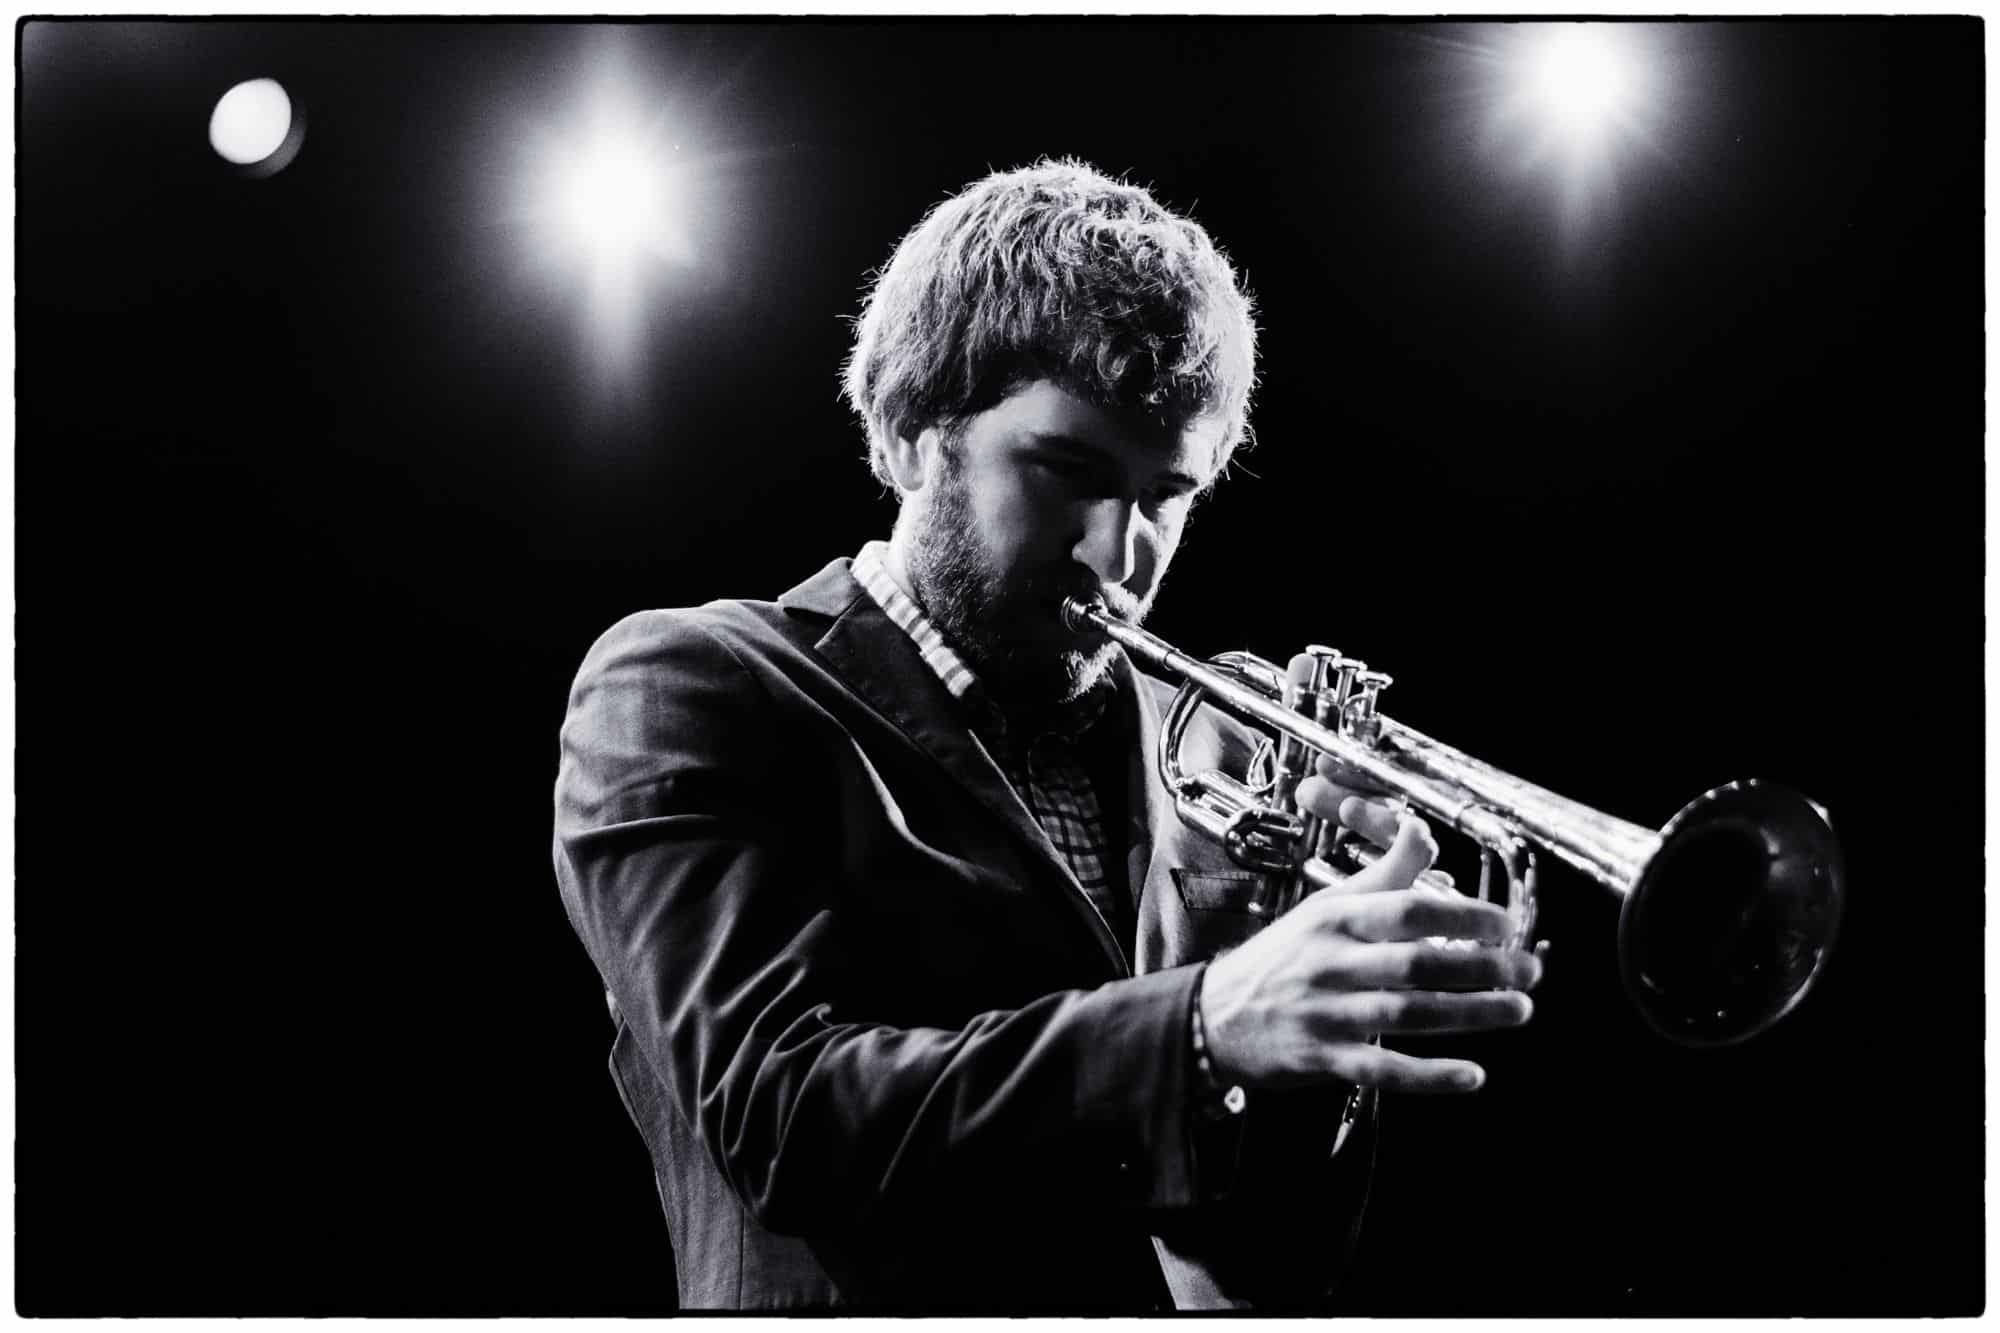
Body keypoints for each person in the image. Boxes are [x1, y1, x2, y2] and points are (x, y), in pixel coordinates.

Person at [552, 158, 1542, 1312]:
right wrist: (1202, 1023)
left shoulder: (1202, 756)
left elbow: (1252, 1276)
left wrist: (1306, 1002)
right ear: (913, 430)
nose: (1117, 559)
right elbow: (782, 1119)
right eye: (1067, 471)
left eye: (1164, 495)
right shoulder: (694, 682)